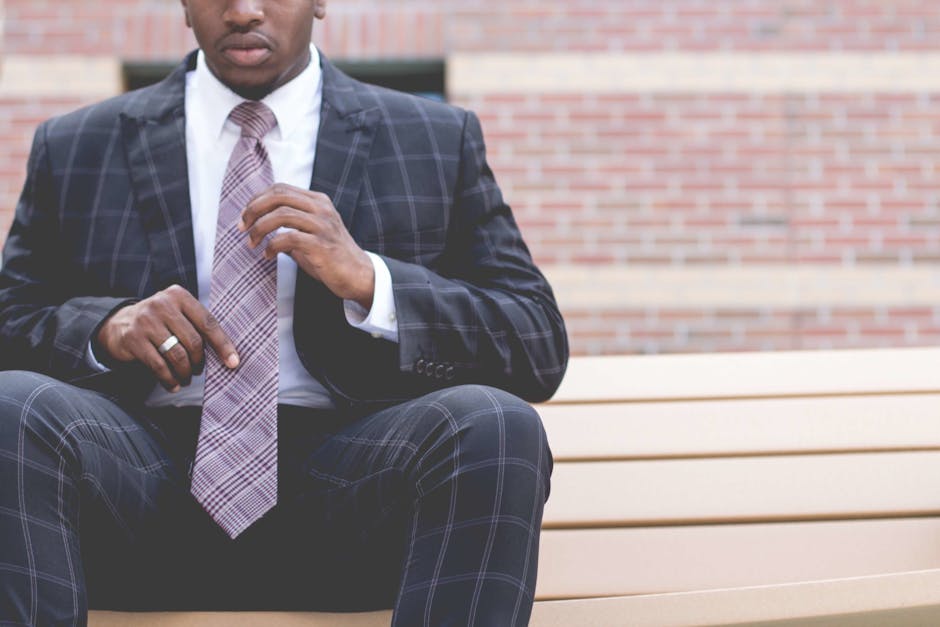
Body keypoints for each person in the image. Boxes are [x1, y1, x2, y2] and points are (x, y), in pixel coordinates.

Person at [0, 0, 568, 625]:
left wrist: (370, 282)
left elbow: (535, 341)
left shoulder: (432, 137)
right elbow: (10, 322)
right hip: (133, 492)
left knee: (494, 422)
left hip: (354, 497)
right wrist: (104, 329)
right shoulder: (77, 144)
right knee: (13, 405)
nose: (243, 11)